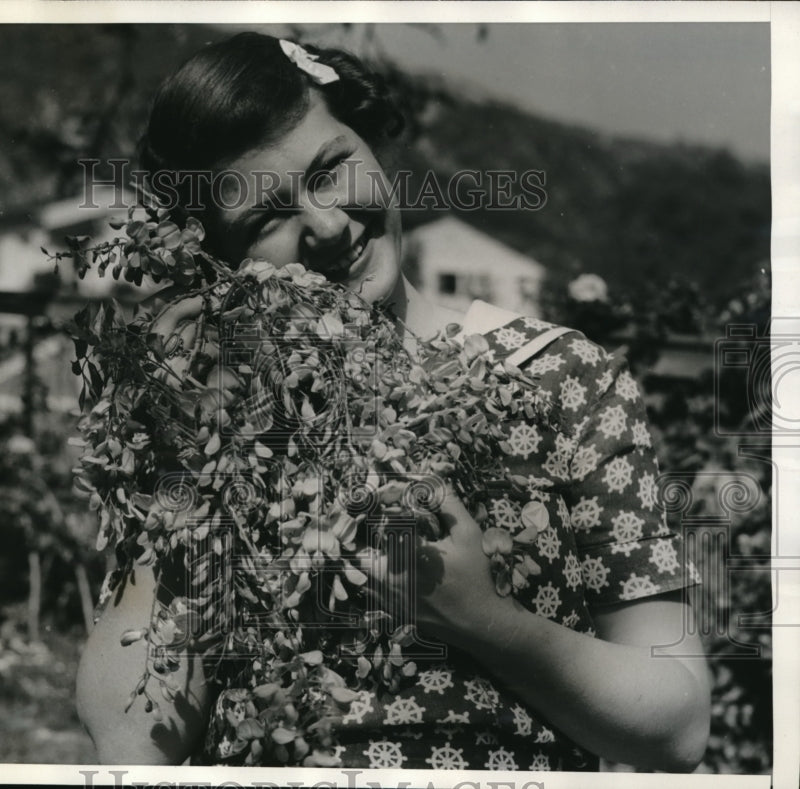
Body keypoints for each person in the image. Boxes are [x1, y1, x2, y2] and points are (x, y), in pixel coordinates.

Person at [76, 31, 710, 772]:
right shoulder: (220, 415)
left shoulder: (561, 379)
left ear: (374, 142)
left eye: (331, 169)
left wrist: (483, 620)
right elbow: (127, 741)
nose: (328, 226)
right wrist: (188, 458)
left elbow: (677, 723)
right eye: (264, 219)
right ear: (220, 260)